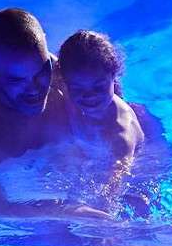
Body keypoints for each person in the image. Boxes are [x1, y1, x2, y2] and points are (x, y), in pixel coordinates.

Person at [0, 9, 103, 219]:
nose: (34, 89)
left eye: (42, 71)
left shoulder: (62, 73)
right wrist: (64, 211)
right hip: (11, 188)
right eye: (16, 80)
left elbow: (116, 109)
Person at [56, 30, 146, 193]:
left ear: (113, 76)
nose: (89, 95)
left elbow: (116, 183)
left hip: (140, 168)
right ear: (65, 81)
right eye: (77, 88)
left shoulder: (120, 133)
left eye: (98, 87)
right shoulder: (66, 78)